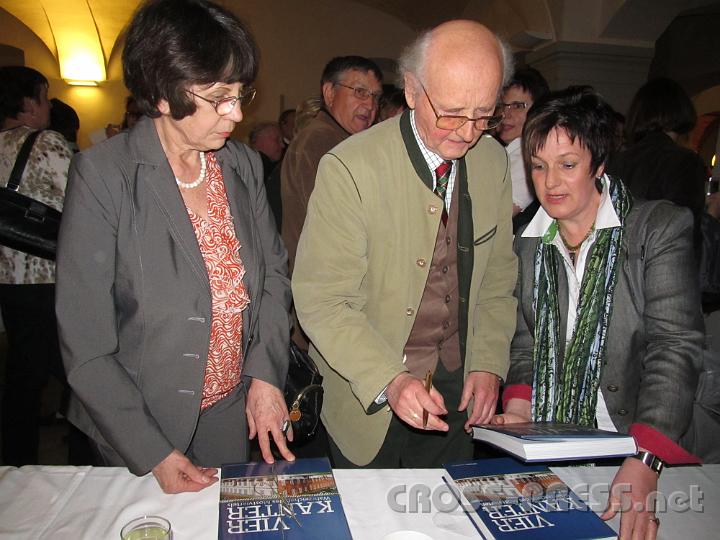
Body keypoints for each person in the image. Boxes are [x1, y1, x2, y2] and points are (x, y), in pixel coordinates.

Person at [56, 0, 293, 494]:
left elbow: (272, 274)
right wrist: (152, 452)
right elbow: (86, 343)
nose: (238, 112)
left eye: (240, 93)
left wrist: (266, 375)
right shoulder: (105, 175)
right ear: (164, 95)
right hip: (137, 421)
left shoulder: (242, 166)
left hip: (229, 410)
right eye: (218, 97)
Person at [292, 20, 517, 468]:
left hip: (458, 392)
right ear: (412, 91)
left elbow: (497, 278)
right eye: (452, 112)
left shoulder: (492, 161)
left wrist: (489, 362)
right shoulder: (350, 168)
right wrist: (390, 379)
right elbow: (322, 301)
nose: (467, 131)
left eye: (483, 114)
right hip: (368, 395)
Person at [496, 86, 704, 540]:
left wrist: (646, 458)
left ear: (600, 163)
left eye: (567, 165)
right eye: (538, 166)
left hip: (643, 446)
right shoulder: (528, 243)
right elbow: (528, 340)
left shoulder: (657, 229)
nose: (550, 182)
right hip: (558, 447)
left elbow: (676, 348)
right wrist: (518, 407)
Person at [0, 66, 73, 466]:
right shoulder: (48, 144)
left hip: (7, 280)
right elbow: (80, 202)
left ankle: (16, 462)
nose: (47, 107)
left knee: (22, 375)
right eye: (44, 98)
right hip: (49, 277)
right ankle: (88, 454)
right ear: (28, 104)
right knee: (77, 372)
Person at [281, 55, 383, 274]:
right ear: (329, 93)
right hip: (329, 284)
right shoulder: (322, 141)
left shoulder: (341, 140)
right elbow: (339, 226)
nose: (370, 104)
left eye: (375, 96)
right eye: (360, 92)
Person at [607, 78, 707, 255]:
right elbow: (683, 231)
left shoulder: (615, 162)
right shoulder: (685, 162)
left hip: (620, 267)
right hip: (661, 265)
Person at [495, 67, 550, 219]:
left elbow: (495, 217)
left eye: (518, 106)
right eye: (502, 106)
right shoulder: (500, 152)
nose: (505, 114)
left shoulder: (528, 157)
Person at [249, 121, 284, 229]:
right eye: (277, 140)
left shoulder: (270, 166)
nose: (282, 145)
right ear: (260, 141)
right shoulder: (255, 167)